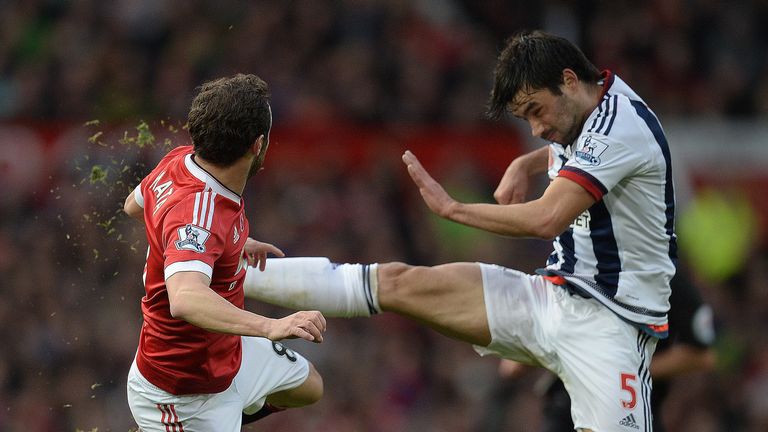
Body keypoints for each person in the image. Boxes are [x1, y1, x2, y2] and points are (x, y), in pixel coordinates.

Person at [244, 30, 677, 431]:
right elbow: (581, 148)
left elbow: (547, 218)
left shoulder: (620, 129)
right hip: (551, 297)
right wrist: (524, 162)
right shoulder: (584, 106)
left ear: (567, 79)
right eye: (525, 118)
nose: (537, 129)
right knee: (398, 281)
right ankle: (227, 270)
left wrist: (453, 209)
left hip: (612, 325)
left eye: (535, 112)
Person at [122, 73, 327, 431]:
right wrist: (271, 326)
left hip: (226, 355)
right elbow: (185, 298)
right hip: (182, 396)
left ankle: (231, 412)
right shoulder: (200, 215)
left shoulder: (180, 159)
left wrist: (222, 245)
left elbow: (133, 206)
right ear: (257, 145)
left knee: (309, 386)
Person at [488, 269, 716, 432]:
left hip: (631, 413)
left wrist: (627, 371)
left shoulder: (662, 278)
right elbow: (511, 368)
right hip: (570, 411)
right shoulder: (569, 272)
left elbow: (702, 355)